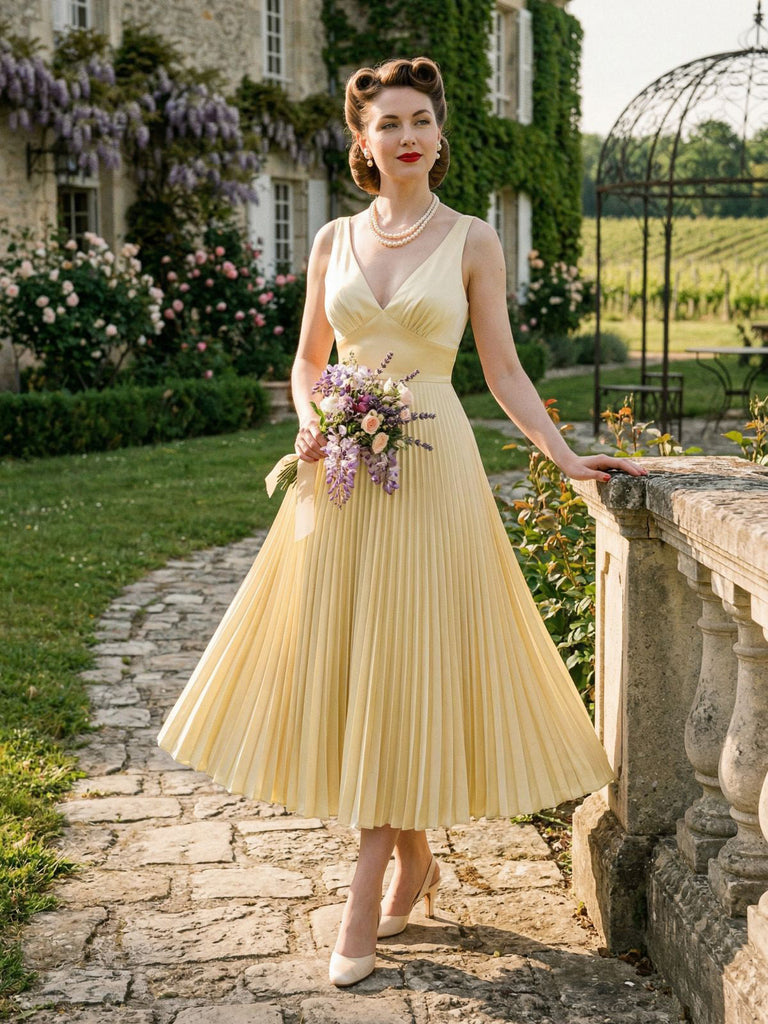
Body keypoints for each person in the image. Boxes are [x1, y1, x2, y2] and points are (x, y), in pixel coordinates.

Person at [157, 56, 646, 989]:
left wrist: (562, 453)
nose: (408, 135)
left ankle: (369, 877)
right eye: (390, 123)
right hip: (340, 479)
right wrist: (317, 419)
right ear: (364, 140)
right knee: (359, 660)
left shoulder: (472, 240)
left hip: (432, 473)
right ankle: (413, 853)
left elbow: (500, 371)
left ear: (437, 134)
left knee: (407, 655)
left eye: (421, 118)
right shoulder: (333, 239)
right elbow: (307, 362)